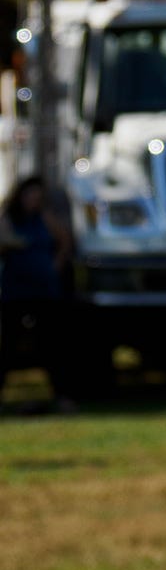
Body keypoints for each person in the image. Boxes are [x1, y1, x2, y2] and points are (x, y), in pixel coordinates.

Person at [0, 175, 74, 409]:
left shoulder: (45, 218)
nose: (34, 200)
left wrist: (55, 266)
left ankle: (62, 396)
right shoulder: (9, 219)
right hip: (16, 291)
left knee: (52, 345)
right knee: (9, 347)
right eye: (30, 195)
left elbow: (65, 241)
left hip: (44, 290)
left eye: (38, 196)